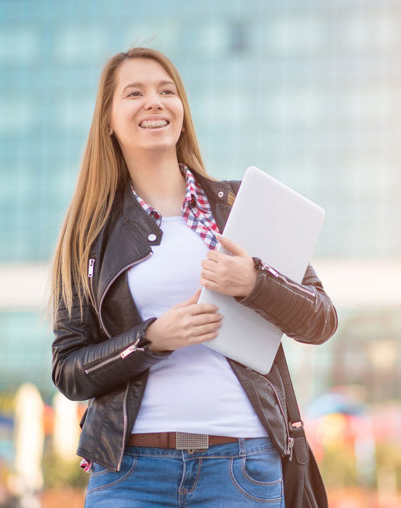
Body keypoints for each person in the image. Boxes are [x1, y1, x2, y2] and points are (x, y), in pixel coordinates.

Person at [49, 47, 338, 507]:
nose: (155, 101)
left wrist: (255, 282)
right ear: (108, 119)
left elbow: (321, 319)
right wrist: (150, 340)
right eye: (135, 93)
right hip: (130, 473)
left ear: (182, 111)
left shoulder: (240, 207)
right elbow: (68, 370)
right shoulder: (91, 235)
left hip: (241, 466)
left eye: (167, 91)